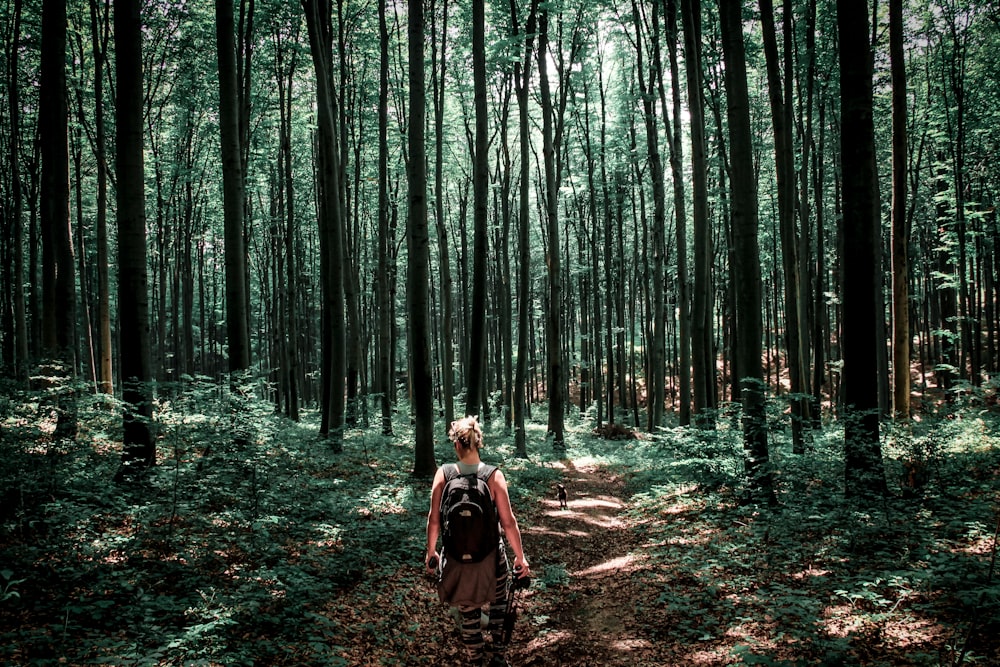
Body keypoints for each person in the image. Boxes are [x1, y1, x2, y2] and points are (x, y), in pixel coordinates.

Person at [426, 416, 530, 667]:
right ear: (478, 443)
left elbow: (434, 520)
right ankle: (498, 658)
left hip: (456, 560)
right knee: (498, 606)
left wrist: (431, 552)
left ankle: (476, 660)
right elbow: (508, 523)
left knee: (467, 612)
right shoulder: (493, 476)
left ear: (457, 446)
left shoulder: (444, 474)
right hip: (492, 558)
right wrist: (520, 557)